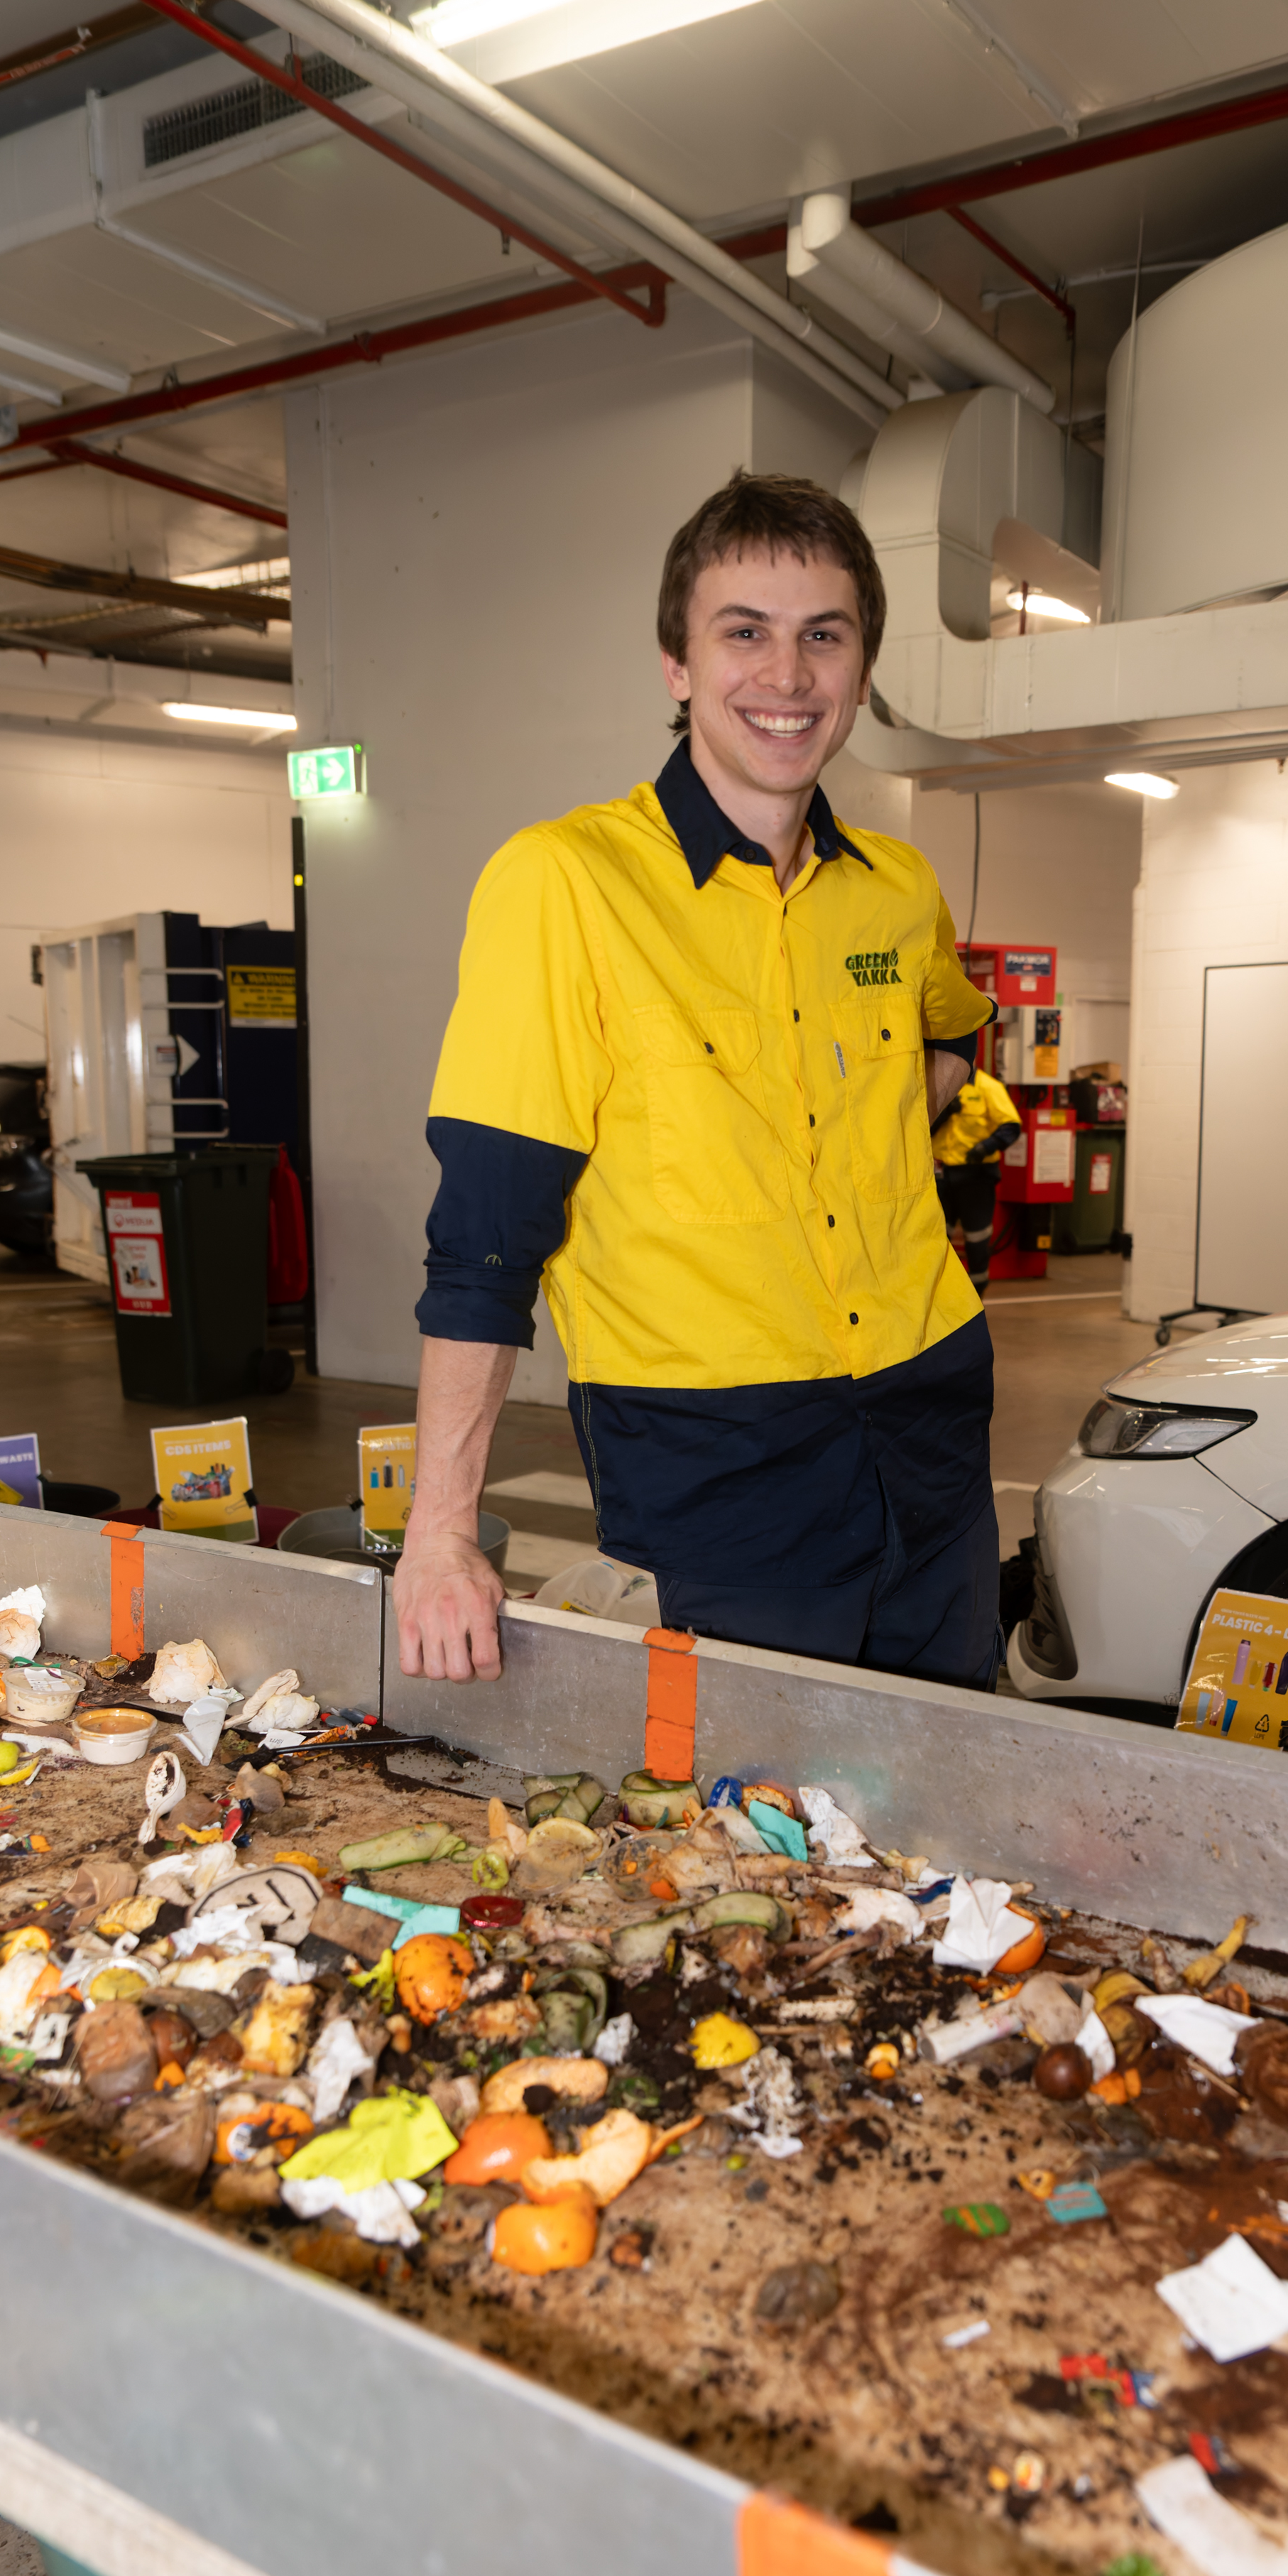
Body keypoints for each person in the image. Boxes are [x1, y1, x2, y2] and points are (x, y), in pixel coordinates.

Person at [394, 471, 998, 1694]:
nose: (788, 676)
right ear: (676, 664)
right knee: (759, 1820)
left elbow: (951, 1033)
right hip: (715, 1447)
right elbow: (487, 1239)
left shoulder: (898, 888)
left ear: (862, 670)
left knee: (956, 1779)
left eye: (823, 636)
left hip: (927, 1406)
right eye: (746, 633)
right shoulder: (566, 884)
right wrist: (440, 1533)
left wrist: (874, 1136)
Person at [931, 1060, 1023, 1296]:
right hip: (941, 1175)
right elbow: (919, 1127)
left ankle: (977, 1293)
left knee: (977, 1237)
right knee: (937, 1237)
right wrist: (944, 1114)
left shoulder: (988, 1087)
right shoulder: (936, 1087)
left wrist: (985, 1148)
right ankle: (942, 1294)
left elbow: (1011, 1126)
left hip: (976, 1177)